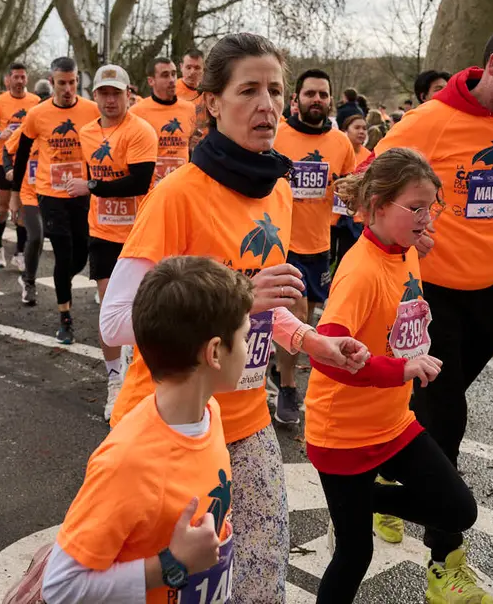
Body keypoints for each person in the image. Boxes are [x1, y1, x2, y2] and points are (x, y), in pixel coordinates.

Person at [100, 33, 370, 603]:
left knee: (259, 581)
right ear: (213, 103)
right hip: (169, 423)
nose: (267, 104)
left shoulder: (277, 189)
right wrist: (236, 294)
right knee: (174, 587)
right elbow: (115, 320)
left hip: (246, 421)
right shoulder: (178, 195)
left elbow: (264, 308)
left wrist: (310, 341)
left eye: (275, 90)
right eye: (248, 90)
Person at [372, 22, 493, 542]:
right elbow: (367, 181)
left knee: (428, 404)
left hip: (491, 292)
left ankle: (385, 476)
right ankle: (444, 552)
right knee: (447, 415)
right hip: (430, 295)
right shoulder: (429, 121)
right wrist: (413, 225)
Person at [309, 147, 489, 604]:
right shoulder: (360, 271)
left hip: (393, 425)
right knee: (355, 555)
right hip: (342, 434)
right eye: (415, 207)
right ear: (376, 205)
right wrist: (401, 368)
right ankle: (351, 509)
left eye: (431, 207)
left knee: (457, 509)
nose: (426, 218)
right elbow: (327, 356)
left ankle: (359, 502)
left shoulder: (403, 251)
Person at [41, 256, 251, 603]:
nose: (251, 349)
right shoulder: (127, 462)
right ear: (215, 352)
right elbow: (60, 586)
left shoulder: (208, 411)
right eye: (244, 337)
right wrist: (173, 564)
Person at [66, 65, 157, 418]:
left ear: (128, 95)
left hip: (141, 231)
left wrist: (91, 187)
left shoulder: (141, 131)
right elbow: (89, 173)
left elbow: (138, 181)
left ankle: (144, 374)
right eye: (103, 93)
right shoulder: (86, 132)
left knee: (146, 307)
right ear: (96, 97)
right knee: (109, 307)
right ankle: (115, 379)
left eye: (116, 93)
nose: (110, 100)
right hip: (103, 231)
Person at [270, 69, 358, 425]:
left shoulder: (340, 143)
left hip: (319, 245)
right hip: (279, 244)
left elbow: (349, 190)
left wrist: (350, 193)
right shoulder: (278, 135)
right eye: (310, 94)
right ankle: (288, 386)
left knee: (309, 313)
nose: (317, 100)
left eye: (323, 94)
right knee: (299, 315)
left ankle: (279, 364)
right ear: (297, 99)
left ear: (331, 100)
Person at [11, 57, 100, 345]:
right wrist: (15, 195)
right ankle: (65, 319)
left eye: (72, 82)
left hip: (81, 193)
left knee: (80, 255)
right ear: (51, 83)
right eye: (61, 83)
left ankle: (63, 278)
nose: (68, 88)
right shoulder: (37, 114)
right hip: (50, 193)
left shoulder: (91, 111)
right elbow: (22, 154)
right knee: (63, 254)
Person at [0, 63, 42, 268]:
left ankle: (19, 252)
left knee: (23, 210)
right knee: (2, 208)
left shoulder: (35, 101)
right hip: (3, 161)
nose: (19, 81)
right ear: (7, 80)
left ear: (27, 79)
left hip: (27, 164)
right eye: (15, 77)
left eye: (22, 77)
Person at [131, 57, 197, 187]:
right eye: (165, 75)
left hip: (181, 186)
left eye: (173, 74)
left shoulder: (190, 109)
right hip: (151, 189)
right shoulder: (137, 112)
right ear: (151, 81)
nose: (172, 80)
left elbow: (192, 147)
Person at [5, 122, 43, 306]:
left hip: (56, 193)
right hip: (29, 193)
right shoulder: (25, 130)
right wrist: (8, 170)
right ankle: (29, 280)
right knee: (35, 236)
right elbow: (7, 149)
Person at [329, 113, 368, 269]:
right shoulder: (336, 151)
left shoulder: (369, 155)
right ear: (345, 131)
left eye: (365, 128)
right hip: (332, 215)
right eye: (357, 127)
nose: (362, 132)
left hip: (355, 217)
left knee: (347, 259)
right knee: (329, 257)